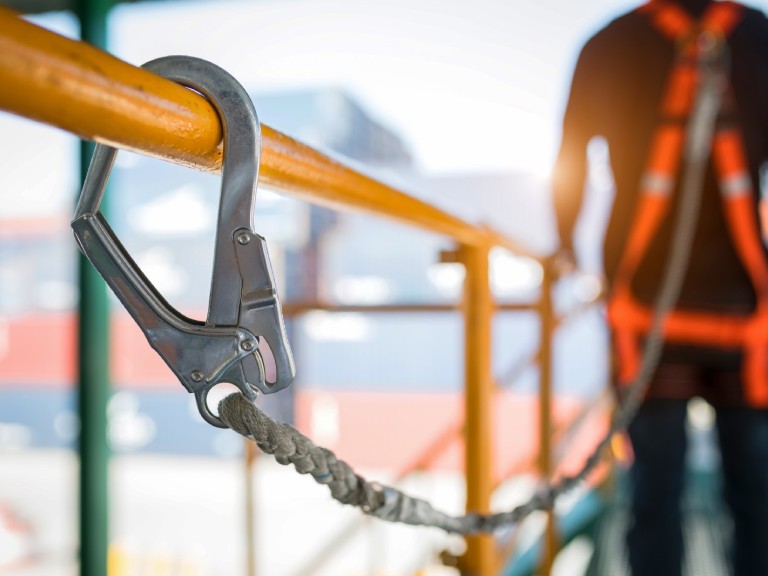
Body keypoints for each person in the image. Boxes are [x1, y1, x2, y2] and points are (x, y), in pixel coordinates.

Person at [552, 1, 768, 575]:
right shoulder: (760, 37)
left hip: (644, 310)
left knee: (654, 490)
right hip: (745, 312)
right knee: (757, 494)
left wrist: (566, 245)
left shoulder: (608, 45)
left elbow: (570, 159)